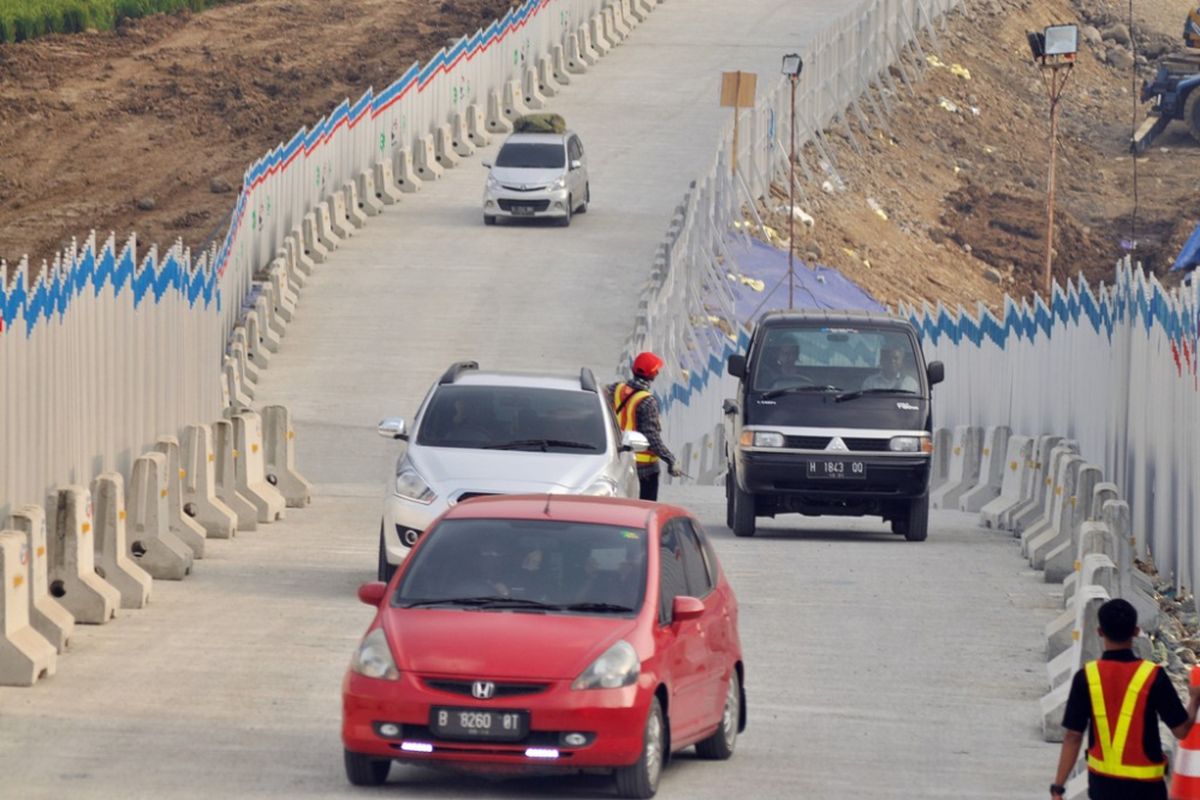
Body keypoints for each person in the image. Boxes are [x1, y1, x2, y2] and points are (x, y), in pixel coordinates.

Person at [1050, 598, 1200, 800]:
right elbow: (1181, 730)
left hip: (1103, 788)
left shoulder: (1087, 677)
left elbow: (1073, 736)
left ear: (1100, 632)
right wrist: (1194, 699)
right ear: (1136, 631)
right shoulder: (1153, 676)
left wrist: (1058, 788)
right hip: (1147, 790)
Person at [606, 352, 680, 501]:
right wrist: (671, 460)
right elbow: (652, 437)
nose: (658, 372)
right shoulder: (647, 401)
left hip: (618, 460)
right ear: (652, 373)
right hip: (645, 467)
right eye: (656, 370)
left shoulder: (615, 389)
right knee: (646, 508)